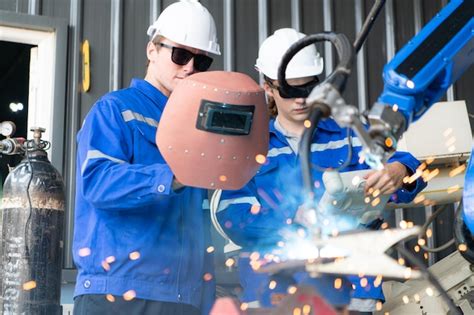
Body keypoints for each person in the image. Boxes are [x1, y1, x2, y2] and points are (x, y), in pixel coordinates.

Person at [217, 28, 427, 312]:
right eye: (290, 90)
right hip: (276, 293)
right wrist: (293, 218)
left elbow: (413, 171)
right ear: (268, 87)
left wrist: (399, 170)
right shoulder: (250, 147)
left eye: (308, 87)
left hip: (351, 290)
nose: (301, 99)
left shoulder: (349, 134)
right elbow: (235, 218)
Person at [72, 1, 220, 314]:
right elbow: (98, 182)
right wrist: (172, 176)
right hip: (118, 294)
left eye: (201, 60)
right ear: (152, 50)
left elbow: (201, 219)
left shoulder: (200, 126)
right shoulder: (114, 110)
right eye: (180, 54)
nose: (190, 67)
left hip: (184, 299)